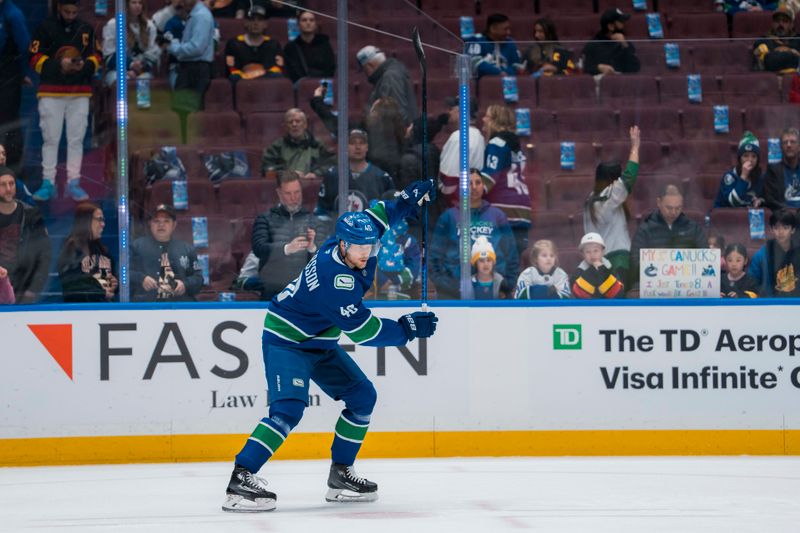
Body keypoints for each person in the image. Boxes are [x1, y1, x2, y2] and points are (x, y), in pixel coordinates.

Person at [222, 179, 438, 512]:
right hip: (287, 340)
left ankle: (341, 474)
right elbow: (366, 332)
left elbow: (383, 213)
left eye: (369, 246)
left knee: (363, 398)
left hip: (320, 340)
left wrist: (408, 199)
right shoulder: (334, 280)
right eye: (359, 248)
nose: (365, 254)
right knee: (288, 411)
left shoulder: (354, 238)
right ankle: (241, 476)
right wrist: (407, 329)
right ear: (342, 245)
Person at [29, 0, 101, 202]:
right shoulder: (44, 28)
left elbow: (97, 56)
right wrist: (59, 65)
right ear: (59, 8)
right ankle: (48, 182)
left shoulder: (85, 29)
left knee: (76, 140)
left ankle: (73, 182)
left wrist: (84, 66)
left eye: (74, 12)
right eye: (67, 11)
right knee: (50, 139)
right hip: (51, 93)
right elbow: (34, 59)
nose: (70, 15)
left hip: (80, 93)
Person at [430, 169, 519, 299]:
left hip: (493, 290)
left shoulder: (497, 215)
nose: (474, 187)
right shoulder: (448, 217)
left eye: (478, 183)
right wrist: (449, 287)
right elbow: (434, 259)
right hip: (456, 292)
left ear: (483, 186)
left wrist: (505, 285)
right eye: (469, 183)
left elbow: (511, 255)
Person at [584, 126, 640, 283]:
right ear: (613, 180)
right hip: (616, 261)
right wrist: (635, 147)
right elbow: (630, 176)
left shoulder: (591, 200)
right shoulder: (609, 197)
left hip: (598, 261)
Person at [252, 171, 319, 300]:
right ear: (279, 193)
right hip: (273, 289)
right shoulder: (265, 219)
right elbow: (259, 248)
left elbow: (326, 257)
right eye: (288, 193)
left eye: (297, 192)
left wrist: (312, 248)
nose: (294, 198)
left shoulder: (313, 220)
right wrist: (287, 248)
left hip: (305, 290)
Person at [629, 184, 706, 288]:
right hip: (653, 283)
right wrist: (659, 268)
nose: (674, 212)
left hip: (687, 284)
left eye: (678, 208)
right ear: (659, 203)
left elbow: (705, 259)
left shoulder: (693, 228)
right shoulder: (646, 229)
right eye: (669, 208)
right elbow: (634, 262)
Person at [480, 104, 532, 256]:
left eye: (487, 116)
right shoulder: (517, 146)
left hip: (504, 210)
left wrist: (466, 196)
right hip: (523, 210)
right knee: (512, 267)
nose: (483, 119)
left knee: (497, 266)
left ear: (495, 121)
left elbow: (488, 179)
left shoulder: (496, 144)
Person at [316, 129, 396, 218]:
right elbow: (322, 212)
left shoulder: (382, 177)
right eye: (352, 143)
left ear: (367, 147)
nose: (358, 147)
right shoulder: (332, 175)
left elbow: (391, 214)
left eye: (362, 143)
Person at [130, 204, 203, 302]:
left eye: (166, 221)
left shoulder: (187, 249)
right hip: (146, 308)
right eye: (156, 221)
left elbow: (199, 279)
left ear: (174, 225)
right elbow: (122, 273)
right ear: (149, 224)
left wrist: (185, 284)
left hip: (180, 308)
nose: (161, 225)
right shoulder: (136, 246)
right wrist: (141, 279)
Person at [0, 167, 51, 304]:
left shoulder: (31, 215)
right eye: (3, 185)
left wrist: (34, 289)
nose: (9, 188)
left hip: (23, 289)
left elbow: (44, 254)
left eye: (11, 183)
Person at [163, 0, 215, 121]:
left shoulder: (201, 16)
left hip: (197, 69)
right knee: (182, 112)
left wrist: (173, 48)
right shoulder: (195, 14)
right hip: (191, 68)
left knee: (192, 115)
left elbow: (197, 48)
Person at [57, 202, 118, 302]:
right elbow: (72, 284)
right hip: (81, 312)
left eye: (103, 220)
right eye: (99, 219)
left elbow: (112, 278)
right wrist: (100, 291)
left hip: (105, 311)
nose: (103, 224)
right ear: (86, 221)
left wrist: (115, 284)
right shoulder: (70, 250)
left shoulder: (102, 250)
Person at [261, 108, 335, 178]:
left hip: (312, 186)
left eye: (298, 121)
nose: (294, 125)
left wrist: (316, 174)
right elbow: (267, 170)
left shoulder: (317, 144)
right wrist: (288, 174)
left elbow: (331, 164)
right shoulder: (277, 146)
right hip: (286, 188)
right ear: (286, 126)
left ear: (305, 125)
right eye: (290, 122)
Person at [438, 96, 485, 207]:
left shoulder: (459, 136)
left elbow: (449, 180)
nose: (449, 113)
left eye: (451, 109)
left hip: (456, 204)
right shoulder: (478, 136)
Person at [0, 0, 30, 171]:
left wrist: (24, 72)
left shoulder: (13, 14)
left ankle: (12, 171)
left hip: (7, 75)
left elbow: (25, 46)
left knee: (8, 122)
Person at [102, 0, 160, 85]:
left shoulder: (150, 26)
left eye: (140, 3)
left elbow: (152, 54)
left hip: (142, 71)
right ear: (126, 5)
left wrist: (138, 70)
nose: (138, 6)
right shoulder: (113, 24)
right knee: (122, 82)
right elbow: (108, 56)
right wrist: (130, 65)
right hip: (117, 70)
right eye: (134, 2)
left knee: (144, 83)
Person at [356, 45, 417, 125]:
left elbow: (398, 113)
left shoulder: (390, 78)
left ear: (370, 65)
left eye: (364, 70)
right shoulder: (388, 75)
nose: (365, 74)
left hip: (397, 135)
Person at [224, 2, 284, 82]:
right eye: (252, 19)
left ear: (266, 24)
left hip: (267, 86)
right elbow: (232, 69)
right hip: (243, 85)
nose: (256, 23)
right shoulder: (234, 44)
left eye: (260, 20)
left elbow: (277, 68)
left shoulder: (273, 44)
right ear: (245, 22)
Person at [748, 208, 800, 296]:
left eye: (785, 227)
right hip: (770, 305)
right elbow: (751, 284)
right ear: (772, 229)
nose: (781, 232)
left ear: (793, 230)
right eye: (776, 228)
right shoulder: (761, 256)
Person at [581, 8, 640, 76]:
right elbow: (584, 67)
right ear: (610, 26)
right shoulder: (592, 45)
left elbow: (635, 68)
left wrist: (624, 44)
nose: (623, 25)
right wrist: (598, 68)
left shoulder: (625, 44)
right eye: (621, 22)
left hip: (623, 83)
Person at [282, 10, 335, 83]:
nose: (308, 22)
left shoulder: (324, 44)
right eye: (304, 20)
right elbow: (292, 72)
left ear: (316, 25)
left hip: (322, 85)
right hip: (301, 86)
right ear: (298, 25)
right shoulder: (291, 47)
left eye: (311, 20)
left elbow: (330, 68)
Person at [464, 13, 524, 77]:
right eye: (505, 29)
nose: (509, 32)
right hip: (483, 83)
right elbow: (474, 62)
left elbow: (516, 65)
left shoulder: (510, 42)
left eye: (509, 29)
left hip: (508, 82)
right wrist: (498, 73)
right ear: (493, 28)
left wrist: (506, 74)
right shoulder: (475, 40)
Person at [714, 131, 765, 208]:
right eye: (745, 156)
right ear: (739, 159)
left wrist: (760, 201)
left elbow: (764, 197)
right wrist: (744, 176)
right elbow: (733, 203)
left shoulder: (759, 177)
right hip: (725, 217)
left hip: (745, 217)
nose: (750, 160)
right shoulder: (729, 177)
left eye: (754, 156)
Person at [571, 232, 624, 299]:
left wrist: (602, 270)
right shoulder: (579, 272)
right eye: (588, 252)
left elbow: (618, 294)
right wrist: (592, 270)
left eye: (596, 251)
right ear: (583, 254)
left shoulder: (610, 269)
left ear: (603, 252)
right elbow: (578, 294)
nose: (592, 254)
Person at [752, 5, 800, 72]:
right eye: (777, 21)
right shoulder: (764, 39)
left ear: (791, 25)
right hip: (769, 79)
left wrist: (788, 50)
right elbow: (769, 62)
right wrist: (792, 54)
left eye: (785, 21)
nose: (780, 24)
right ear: (772, 24)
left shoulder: (798, 39)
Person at [763, 127, 800, 210]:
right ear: (781, 147)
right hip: (785, 217)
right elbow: (770, 200)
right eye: (785, 142)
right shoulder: (772, 171)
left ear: (799, 147)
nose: (789, 145)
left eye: (793, 142)